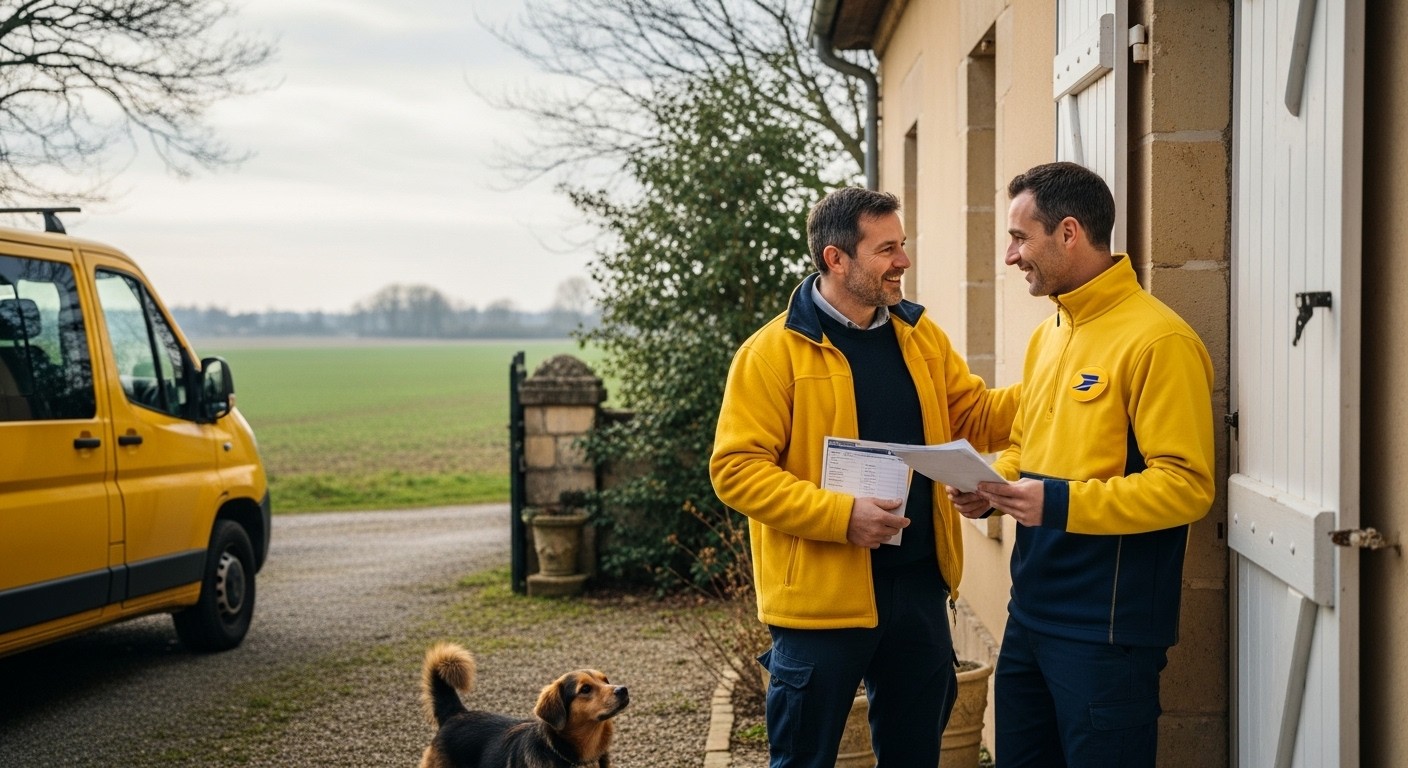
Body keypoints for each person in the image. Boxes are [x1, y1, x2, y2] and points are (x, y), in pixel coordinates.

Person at [710, 186, 1019, 768]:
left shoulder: (920, 335)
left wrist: (1058, 382)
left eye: (902, 245)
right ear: (836, 258)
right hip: (819, 604)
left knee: (914, 756)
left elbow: (976, 415)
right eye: (886, 249)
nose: (904, 260)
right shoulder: (771, 353)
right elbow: (737, 470)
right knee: (802, 759)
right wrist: (841, 516)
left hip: (919, 591)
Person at [948, 161, 1215, 768]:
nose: (1011, 257)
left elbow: (1187, 487)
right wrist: (994, 487)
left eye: (1020, 238)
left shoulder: (1159, 341)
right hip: (1030, 615)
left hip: (1108, 632)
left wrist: (1057, 502)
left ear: (1068, 232)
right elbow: (1025, 446)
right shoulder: (1048, 336)